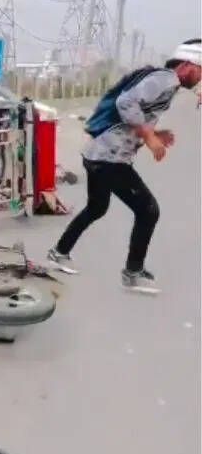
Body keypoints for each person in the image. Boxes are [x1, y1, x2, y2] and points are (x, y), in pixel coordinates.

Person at [47, 38, 202, 291]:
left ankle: (58, 252)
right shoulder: (166, 79)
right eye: (200, 70)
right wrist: (149, 136)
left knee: (96, 208)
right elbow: (126, 102)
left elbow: (131, 116)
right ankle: (133, 272)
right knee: (148, 210)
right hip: (110, 159)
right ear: (186, 65)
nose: (200, 77)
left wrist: (155, 133)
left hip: (99, 154)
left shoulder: (164, 81)